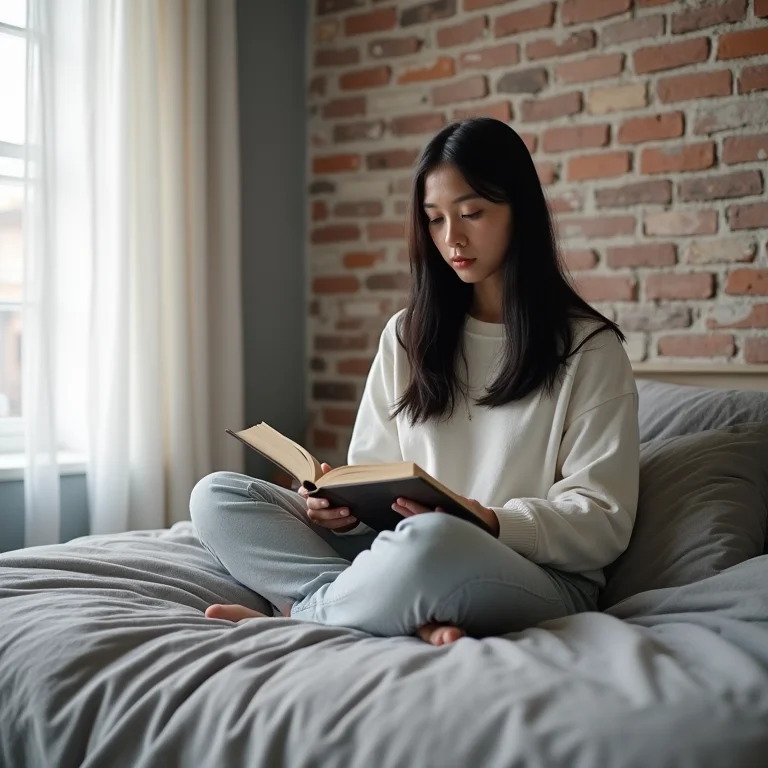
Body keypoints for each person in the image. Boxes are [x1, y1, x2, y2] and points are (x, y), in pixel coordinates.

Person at [190, 117, 640, 647]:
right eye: (435, 220)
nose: (453, 238)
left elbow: (602, 520)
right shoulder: (407, 334)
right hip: (402, 549)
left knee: (433, 541)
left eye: (472, 213)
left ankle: (302, 618)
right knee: (218, 495)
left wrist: (492, 522)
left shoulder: (589, 349)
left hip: (531, 572)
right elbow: (372, 472)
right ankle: (372, 606)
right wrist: (342, 512)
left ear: (521, 212)